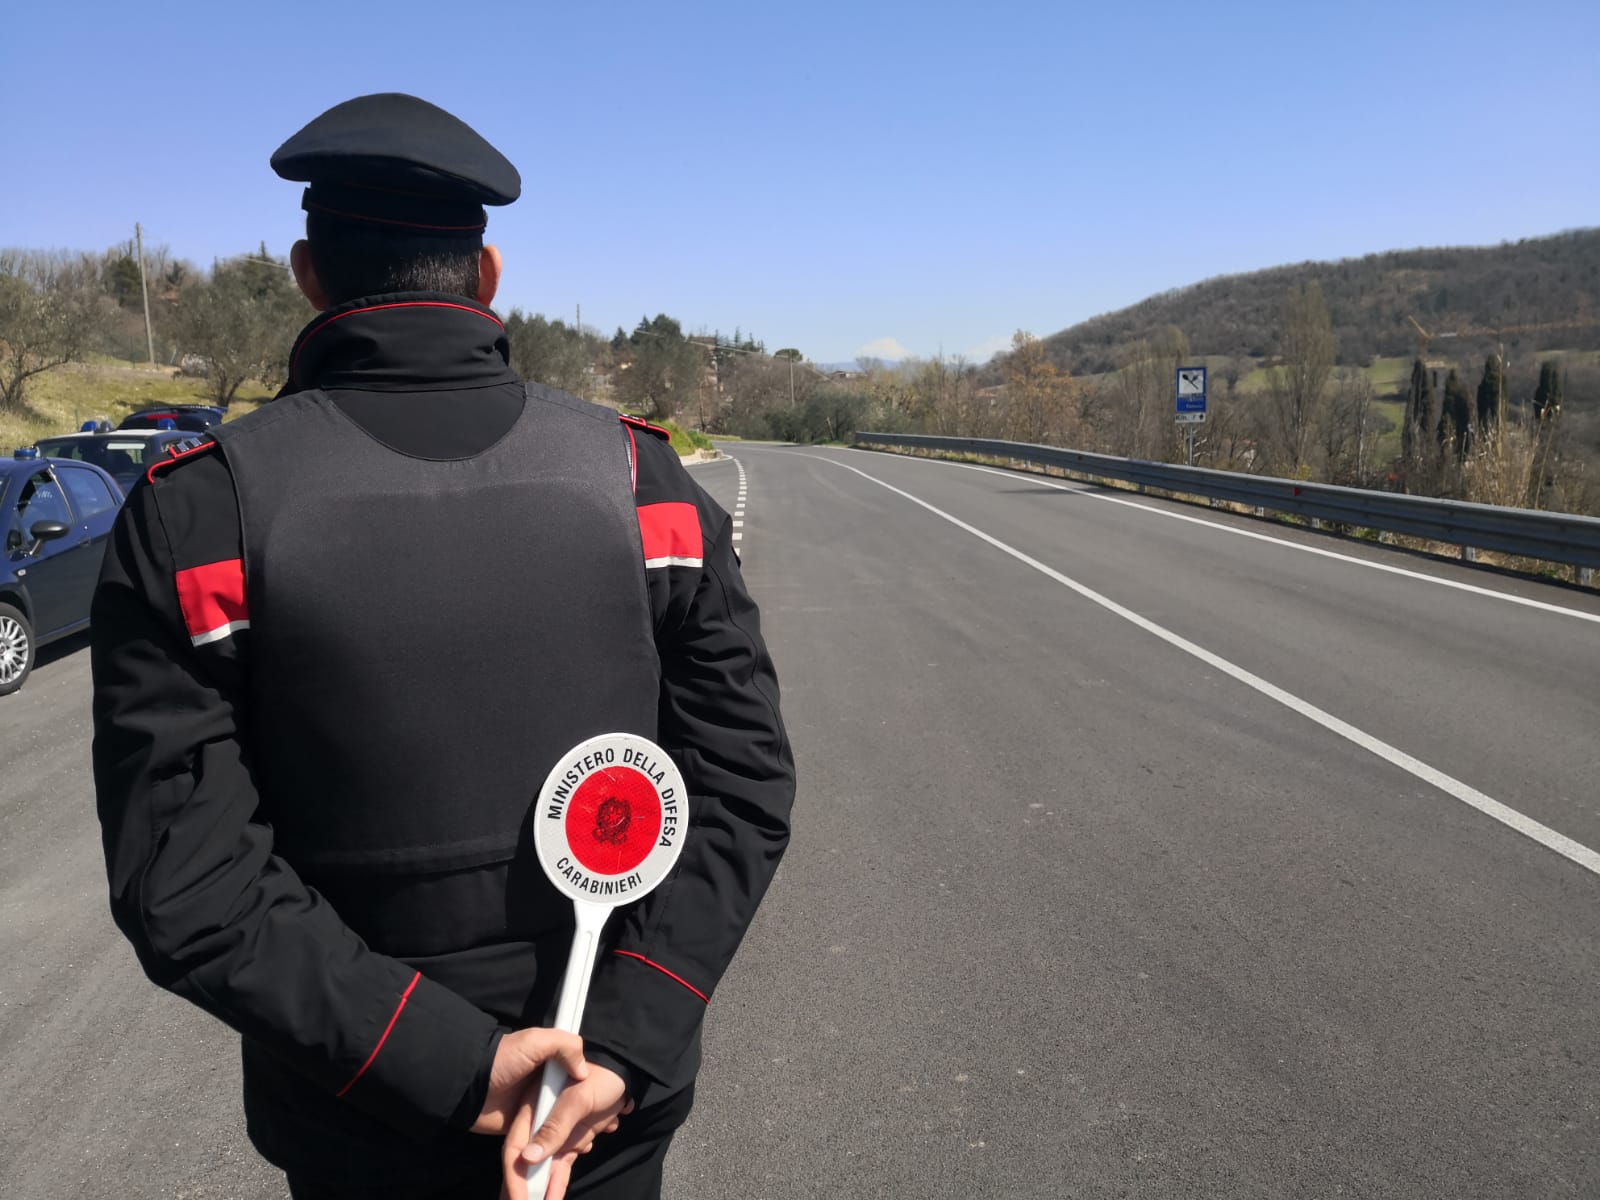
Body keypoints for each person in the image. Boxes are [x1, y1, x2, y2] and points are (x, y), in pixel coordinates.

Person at [91, 92, 795, 1200]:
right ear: (490, 273)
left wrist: (453, 1067)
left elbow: (188, 881)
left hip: (361, 1115)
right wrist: (623, 1039)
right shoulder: (637, 479)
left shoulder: (197, 517)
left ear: (306, 274)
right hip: (604, 1116)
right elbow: (744, 782)